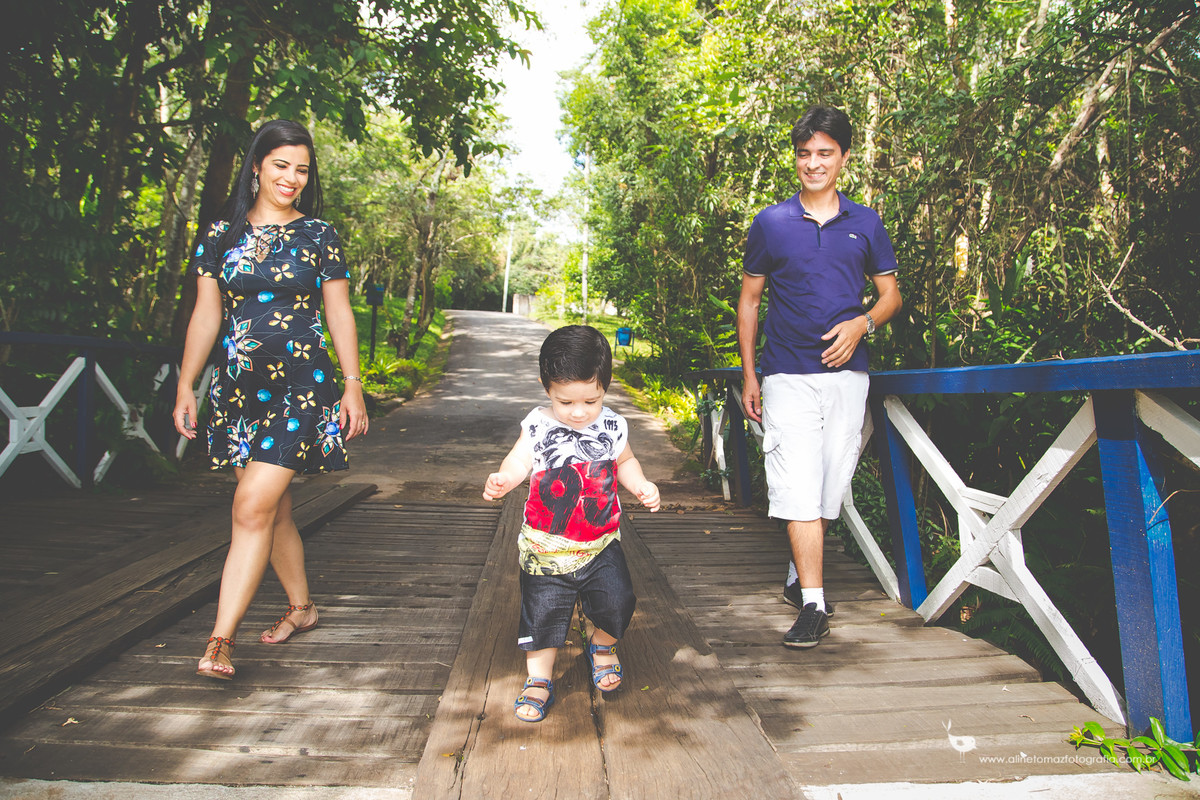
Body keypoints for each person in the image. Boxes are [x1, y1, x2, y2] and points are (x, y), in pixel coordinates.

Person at [173, 119, 368, 680]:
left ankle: (220, 641)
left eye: (302, 169)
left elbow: (339, 312)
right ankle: (302, 608)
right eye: (281, 165)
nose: (292, 178)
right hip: (238, 392)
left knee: (251, 508)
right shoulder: (220, 235)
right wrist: (186, 383)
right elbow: (206, 314)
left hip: (303, 387)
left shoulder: (319, 234)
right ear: (256, 165)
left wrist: (352, 383)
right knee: (272, 508)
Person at [737, 105, 902, 649]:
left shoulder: (866, 222)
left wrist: (862, 324)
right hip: (787, 374)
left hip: (849, 378)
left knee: (829, 489)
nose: (813, 163)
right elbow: (750, 301)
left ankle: (797, 575)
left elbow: (890, 296)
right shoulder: (771, 222)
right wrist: (751, 375)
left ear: (844, 157)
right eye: (805, 153)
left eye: (825, 153)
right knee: (796, 485)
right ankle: (813, 604)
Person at [482, 325, 660, 722]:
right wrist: (505, 478)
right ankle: (539, 679)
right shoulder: (538, 425)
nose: (579, 412)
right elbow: (519, 459)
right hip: (546, 547)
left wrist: (640, 484)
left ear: (605, 388)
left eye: (590, 401)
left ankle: (602, 645)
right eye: (566, 402)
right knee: (542, 614)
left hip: (600, 543)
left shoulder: (611, 425)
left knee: (618, 601)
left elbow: (626, 461)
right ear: (546, 387)